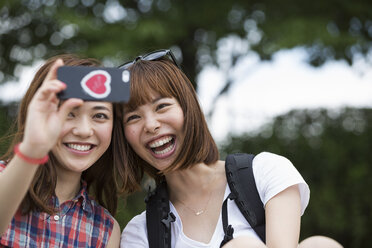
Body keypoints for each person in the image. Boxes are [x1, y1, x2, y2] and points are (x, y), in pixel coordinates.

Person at [118, 49, 343, 248]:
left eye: (162, 106)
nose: (150, 125)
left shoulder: (264, 173)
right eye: (134, 117)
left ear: (190, 108)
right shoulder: (141, 234)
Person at [0, 54, 137, 247]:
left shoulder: (105, 232)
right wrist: (33, 148)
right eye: (68, 113)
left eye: (99, 115)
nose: (83, 131)